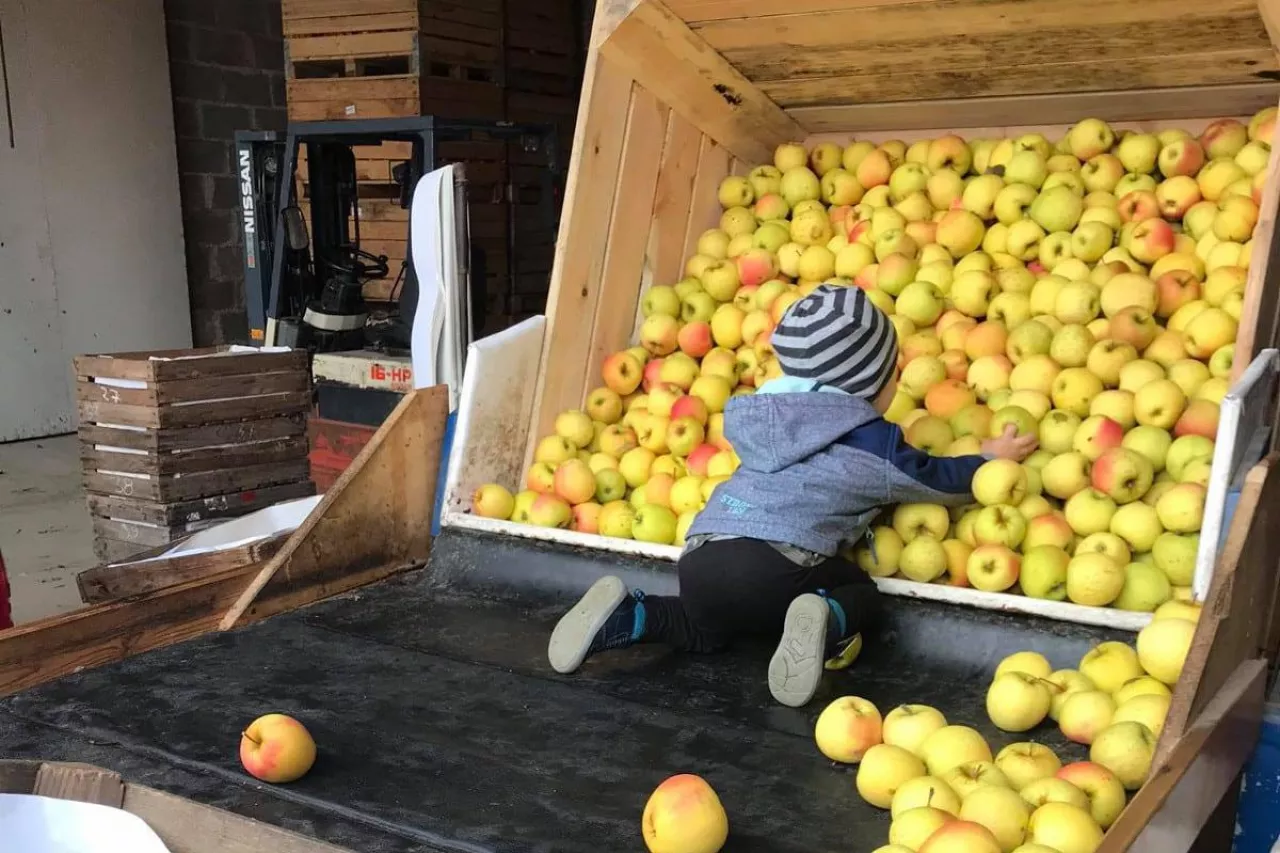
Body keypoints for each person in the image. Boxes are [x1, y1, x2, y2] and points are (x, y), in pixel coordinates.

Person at [547, 284, 1037, 707]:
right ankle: (824, 615)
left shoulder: (765, 421)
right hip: (778, 564)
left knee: (701, 629)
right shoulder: (869, 441)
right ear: (869, 384)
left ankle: (628, 616)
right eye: (893, 375)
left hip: (703, 554)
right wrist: (990, 458)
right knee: (863, 591)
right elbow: (935, 480)